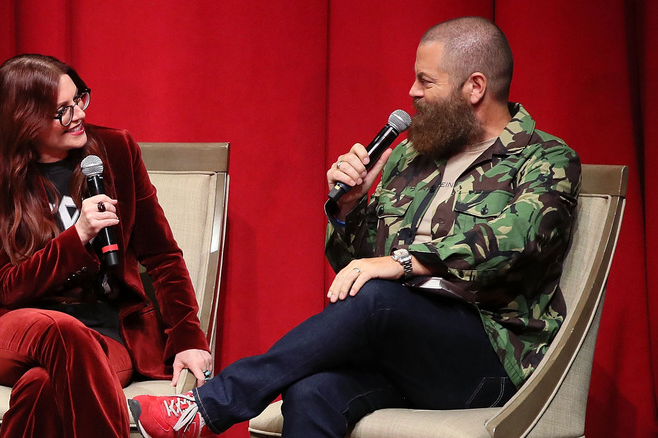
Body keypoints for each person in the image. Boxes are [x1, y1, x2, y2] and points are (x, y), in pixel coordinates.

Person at [129, 16, 581, 438]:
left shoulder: (545, 159)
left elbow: (517, 243)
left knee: (379, 298)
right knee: (309, 394)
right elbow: (355, 269)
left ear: (475, 87)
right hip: (399, 354)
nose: (412, 92)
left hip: (489, 362)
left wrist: (404, 263)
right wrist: (348, 207)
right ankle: (211, 408)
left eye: (426, 81)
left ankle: (206, 408)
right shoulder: (410, 157)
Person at [0, 54, 213, 438]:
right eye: (61, 110)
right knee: (62, 330)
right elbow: (8, 285)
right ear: (24, 120)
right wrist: (77, 236)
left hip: (104, 334)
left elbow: (162, 257)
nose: (78, 114)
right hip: (16, 326)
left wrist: (188, 338)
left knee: (42, 387)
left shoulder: (115, 151)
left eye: (79, 99)